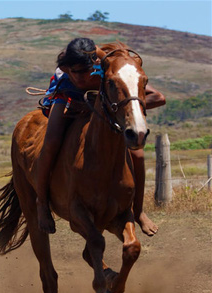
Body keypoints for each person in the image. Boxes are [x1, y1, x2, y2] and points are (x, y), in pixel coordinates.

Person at [36, 38, 166, 236]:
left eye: (84, 71)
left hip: (102, 103)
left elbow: (156, 97)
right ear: (65, 67)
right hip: (67, 97)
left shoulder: (105, 69)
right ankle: (42, 202)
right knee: (52, 141)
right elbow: (72, 83)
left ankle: (138, 212)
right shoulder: (64, 73)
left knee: (138, 154)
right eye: (74, 71)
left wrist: (122, 105)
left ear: (95, 67)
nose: (79, 77)